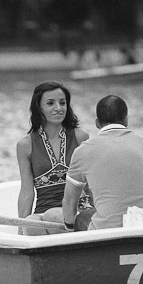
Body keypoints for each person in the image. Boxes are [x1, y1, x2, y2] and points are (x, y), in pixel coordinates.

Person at [61, 95, 143, 231]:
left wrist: (69, 228)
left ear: (97, 123)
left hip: (107, 231)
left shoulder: (83, 151)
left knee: (83, 217)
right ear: (126, 120)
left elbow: (69, 201)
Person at [16, 81, 90, 234]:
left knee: (54, 216)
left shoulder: (80, 137)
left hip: (77, 210)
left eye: (62, 103)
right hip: (43, 211)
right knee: (30, 224)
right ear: (38, 108)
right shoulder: (25, 144)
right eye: (50, 103)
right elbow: (26, 191)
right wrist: (20, 229)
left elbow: (91, 183)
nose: (58, 108)